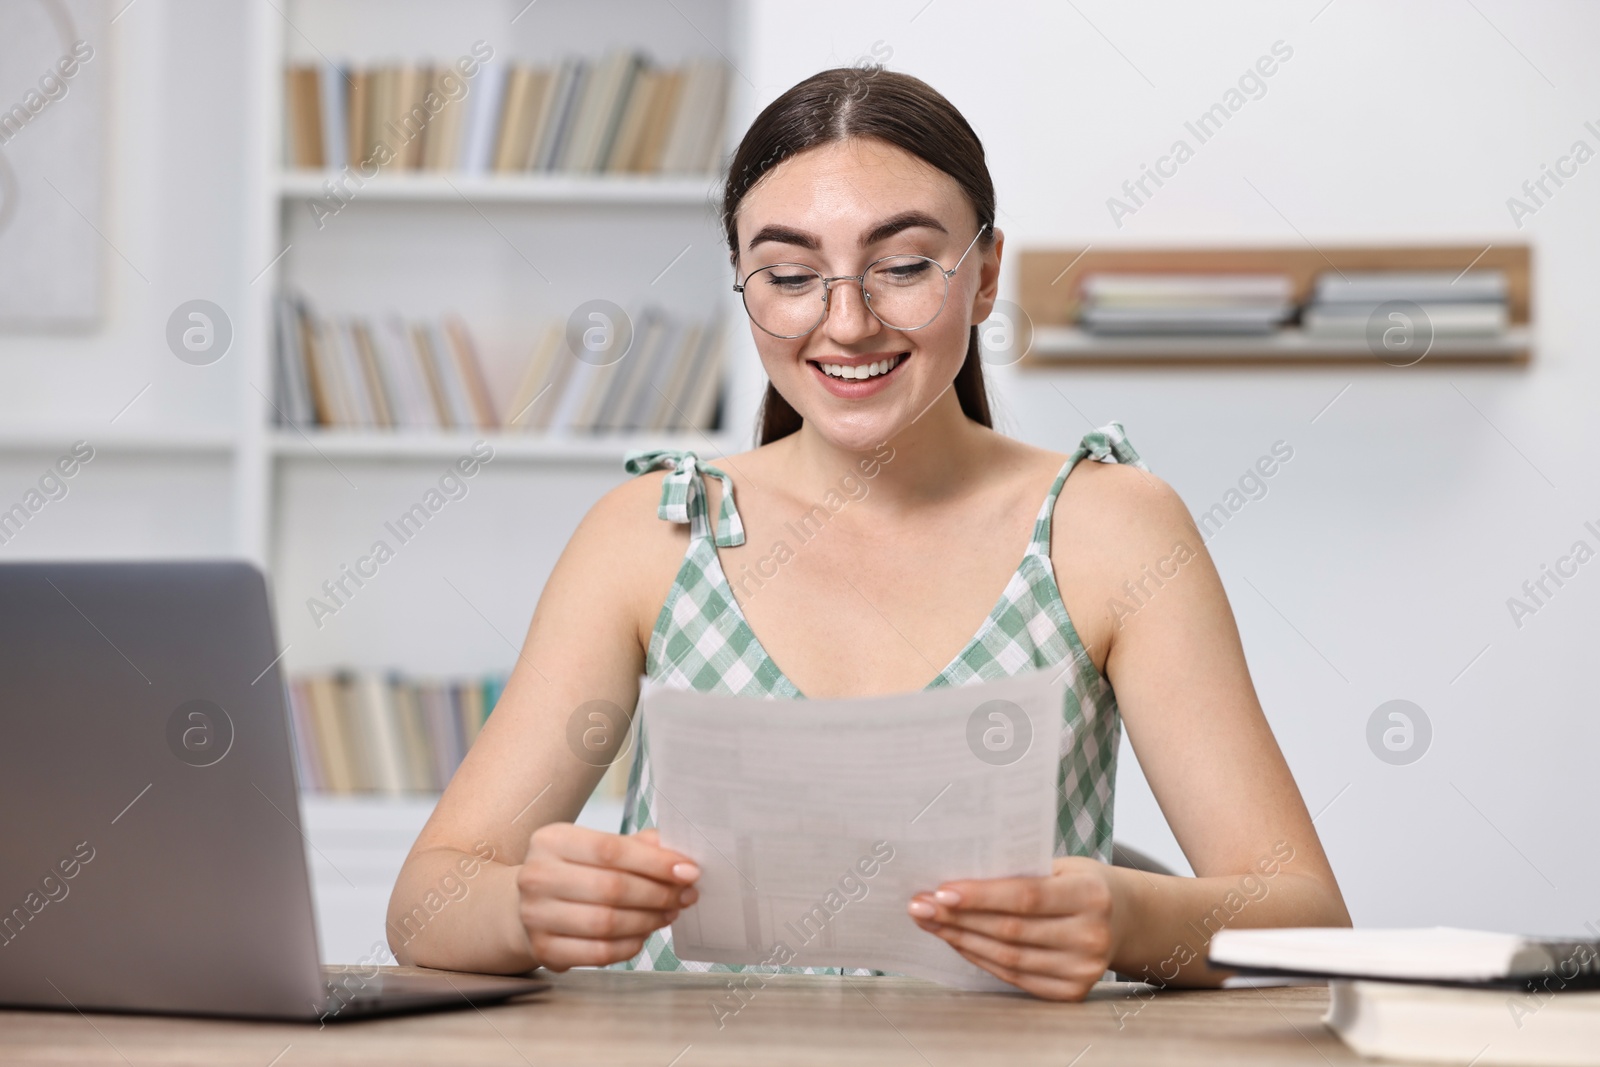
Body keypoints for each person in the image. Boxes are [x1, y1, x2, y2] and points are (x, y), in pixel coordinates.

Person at [388, 66, 1349, 1001]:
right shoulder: (651, 533)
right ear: (743, 283)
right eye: (792, 274)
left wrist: (1132, 923)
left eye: (901, 266)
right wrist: (525, 906)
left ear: (984, 276)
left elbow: (1307, 920)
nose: (845, 322)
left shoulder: (1112, 529)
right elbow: (426, 901)